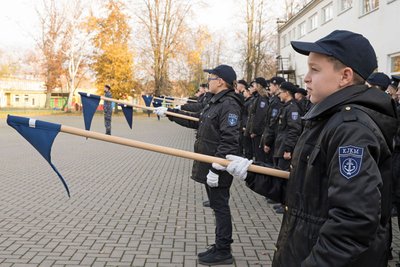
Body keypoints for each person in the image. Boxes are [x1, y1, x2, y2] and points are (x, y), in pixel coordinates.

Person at [216, 30, 398, 266]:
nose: (306, 78)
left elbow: (353, 223)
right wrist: (253, 172)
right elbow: (307, 191)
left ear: (345, 76)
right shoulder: (328, 120)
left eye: (315, 69)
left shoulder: (351, 129)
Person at [156, 64, 242, 265]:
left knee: (220, 206)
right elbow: (196, 120)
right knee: (217, 205)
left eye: (211, 77)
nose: (208, 81)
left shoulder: (229, 104)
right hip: (209, 161)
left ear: (221, 81)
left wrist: (215, 168)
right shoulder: (215, 102)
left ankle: (223, 250)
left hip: (216, 165)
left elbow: (229, 141)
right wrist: (170, 113)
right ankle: (220, 244)